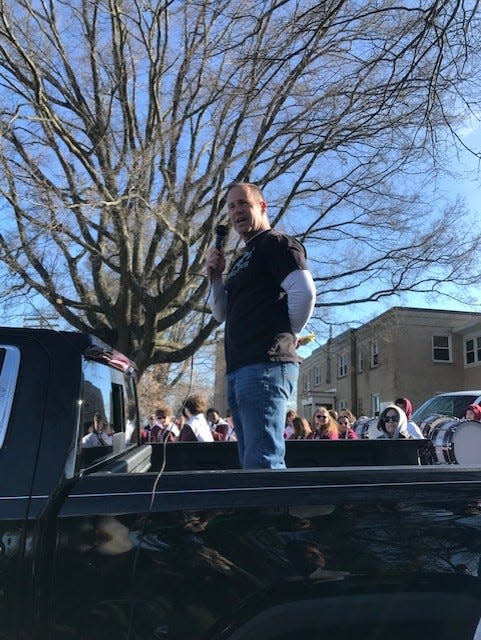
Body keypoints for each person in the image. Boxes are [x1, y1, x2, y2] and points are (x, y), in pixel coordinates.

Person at [205, 182, 316, 469]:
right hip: (239, 368)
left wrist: (284, 335)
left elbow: (304, 293)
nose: (236, 211)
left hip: (265, 365)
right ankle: (259, 513)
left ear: (262, 207)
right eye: (231, 206)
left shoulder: (276, 242)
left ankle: (271, 515)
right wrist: (215, 278)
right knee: (250, 460)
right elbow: (219, 313)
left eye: (243, 203)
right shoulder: (241, 258)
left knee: (263, 461)